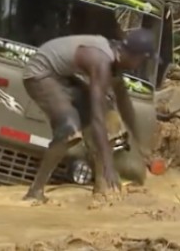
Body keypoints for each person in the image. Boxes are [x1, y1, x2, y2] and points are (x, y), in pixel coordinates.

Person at [21, 29, 155, 202]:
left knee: (111, 119)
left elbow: (124, 103)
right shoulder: (101, 61)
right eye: (142, 60)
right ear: (135, 56)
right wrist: (109, 165)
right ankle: (35, 191)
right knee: (69, 129)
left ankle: (101, 188)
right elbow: (96, 118)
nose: (140, 65)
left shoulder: (115, 59)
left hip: (61, 76)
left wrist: (140, 145)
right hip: (39, 75)